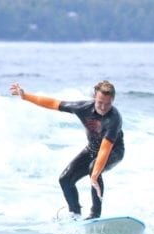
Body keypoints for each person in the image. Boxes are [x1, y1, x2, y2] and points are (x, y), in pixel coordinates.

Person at [10, 80, 125, 220]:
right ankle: (75, 213)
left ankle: (95, 214)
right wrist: (26, 96)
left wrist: (94, 175)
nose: (103, 107)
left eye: (108, 104)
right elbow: (54, 103)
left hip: (114, 151)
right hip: (92, 149)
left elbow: (104, 150)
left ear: (113, 100)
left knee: (94, 168)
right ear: (95, 96)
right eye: (100, 102)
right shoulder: (83, 107)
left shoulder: (114, 118)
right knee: (65, 179)